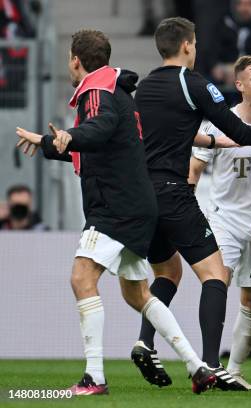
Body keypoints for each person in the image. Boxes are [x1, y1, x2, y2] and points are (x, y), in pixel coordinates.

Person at [14, 29, 216, 396]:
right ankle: (197, 366)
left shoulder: (96, 91)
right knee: (137, 294)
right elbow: (103, 141)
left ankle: (94, 377)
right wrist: (48, 142)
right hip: (136, 206)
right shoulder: (115, 90)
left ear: (75, 60)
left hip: (114, 208)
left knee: (81, 278)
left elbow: (99, 129)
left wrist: (71, 136)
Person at [132, 17, 251, 391]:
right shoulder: (195, 84)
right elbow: (238, 129)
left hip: (144, 194)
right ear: (188, 45)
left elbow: (172, 131)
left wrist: (213, 144)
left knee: (168, 272)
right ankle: (210, 364)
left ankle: (145, 341)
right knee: (215, 273)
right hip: (173, 189)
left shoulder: (145, 87)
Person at [188, 55, 251, 390]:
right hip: (223, 219)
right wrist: (190, 208)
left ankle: (235, 369)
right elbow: (194, 170)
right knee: (216, 285)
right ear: (239, 85)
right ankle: (208, 363)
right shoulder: (219, 121)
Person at [209, 0, 251, 86]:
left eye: (250, 4)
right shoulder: (225, 22)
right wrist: (215, 67)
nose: (244, 8)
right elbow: (212, 50)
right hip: (226, 72)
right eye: (239, 4)